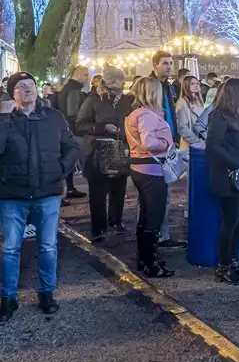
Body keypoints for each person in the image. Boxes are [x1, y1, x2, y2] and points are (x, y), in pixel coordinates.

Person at [0, 72, 79, 322]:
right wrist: (2, 117)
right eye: (21, 87)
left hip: (47, 193)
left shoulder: (53, 117)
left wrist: (61, 169)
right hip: (13, 195)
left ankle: (46, 293)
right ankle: (8, 298)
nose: (28, 90)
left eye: (31, 85)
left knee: (48, 247)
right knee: (10, 249)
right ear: (12, 93)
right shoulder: (3, 119)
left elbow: (72, 146)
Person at [205, 79, 239, 285]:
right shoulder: (220, 116)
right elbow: (213, 145)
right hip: (228, 177)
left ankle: (234, 261)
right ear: (235, 92)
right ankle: (224, 266)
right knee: (230, 221)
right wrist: (236, 162)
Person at [124, 77, 176, 278]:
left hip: (140, 167)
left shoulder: (135, 114)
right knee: (153, 217)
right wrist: (166, 143)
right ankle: (151, 262)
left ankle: (145, 258)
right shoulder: (147, 114)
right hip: (151, 169)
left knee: (146, 216)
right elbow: (149, 142)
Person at [75, 67, 134, 243]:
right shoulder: (94, 99)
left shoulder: (124, 100)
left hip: (119, 149)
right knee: (98, 192)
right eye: (120, 80)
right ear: (111, 81)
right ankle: (98, 227)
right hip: (97, 152)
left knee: (119, 188)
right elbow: (79, 124)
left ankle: (116, 221)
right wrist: (102, 128)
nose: (123, 83)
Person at [150, 51, 183, 249]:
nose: (169, 66)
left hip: (169, 144)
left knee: (166, 193)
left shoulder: (168, 86)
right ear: (155, 65)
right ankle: (153, 236)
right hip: (155, 146)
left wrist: (176, 138)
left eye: (171, 63)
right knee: (153, 196)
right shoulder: (150, 85)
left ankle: (163, 234)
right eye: (165, 63)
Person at [56, 65, 90, 202]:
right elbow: (73, 113)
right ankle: (62, 192)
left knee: (68, 162)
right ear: (79, 74)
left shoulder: (68, 88)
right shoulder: (74, 90)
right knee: (73, 161)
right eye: (86, 74)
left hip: (67, 130)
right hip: (73, 131)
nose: (87, 78)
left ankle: (69, 189)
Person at [175, 75, 205, 150]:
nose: (196, 85)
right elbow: (182, 127)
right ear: (186, 85)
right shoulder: (182, 102)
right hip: (190, 143)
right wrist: (196, 141)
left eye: (197, 83)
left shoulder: (199, 101)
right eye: (192, 84)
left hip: (201, 140)